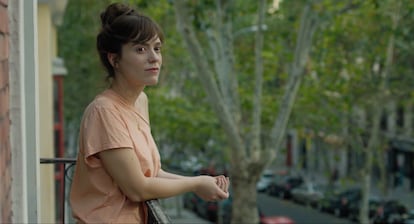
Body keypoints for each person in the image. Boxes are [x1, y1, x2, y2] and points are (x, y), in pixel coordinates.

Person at [69, 3, 229, 223]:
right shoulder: (104, 111)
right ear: (114, 59)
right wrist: (194, 184)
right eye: (140, 49)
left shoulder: (140, 102)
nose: (154, 58)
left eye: (157, 48)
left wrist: (200, 181)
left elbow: (150, 174)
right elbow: (138, 189)